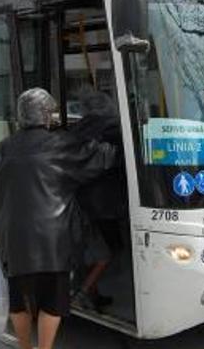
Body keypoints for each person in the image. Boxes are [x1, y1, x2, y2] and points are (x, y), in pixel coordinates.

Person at [0, 88, 116, 349]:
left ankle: (25, 346)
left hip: (13, 240)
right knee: (53, 304)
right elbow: (103, 157)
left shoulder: (3, 148)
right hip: (52, 241)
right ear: (46, 115)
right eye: (53, 111)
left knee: (19, 302)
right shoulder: (61, 143)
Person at [69, 90, 127, 311]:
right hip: (106, 204)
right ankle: (83, 292)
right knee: (110, 250)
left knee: (92, 249)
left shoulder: (78, 129)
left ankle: (92, 291)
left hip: (81, 200)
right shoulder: (113, 128)